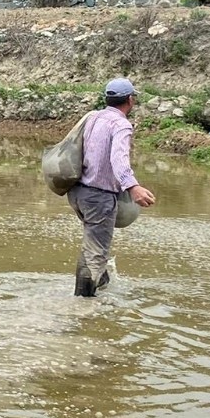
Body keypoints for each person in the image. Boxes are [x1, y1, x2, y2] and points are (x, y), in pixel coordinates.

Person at [69, 77, 157, 298]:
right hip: (99, 196)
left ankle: (103, 286)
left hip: (78, 192)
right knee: (95, 253)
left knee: (93, 246)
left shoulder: (93, 117)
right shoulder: (121, 124)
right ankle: (83, 305)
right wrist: (133, 187)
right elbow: (119, 160)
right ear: (130, 100)